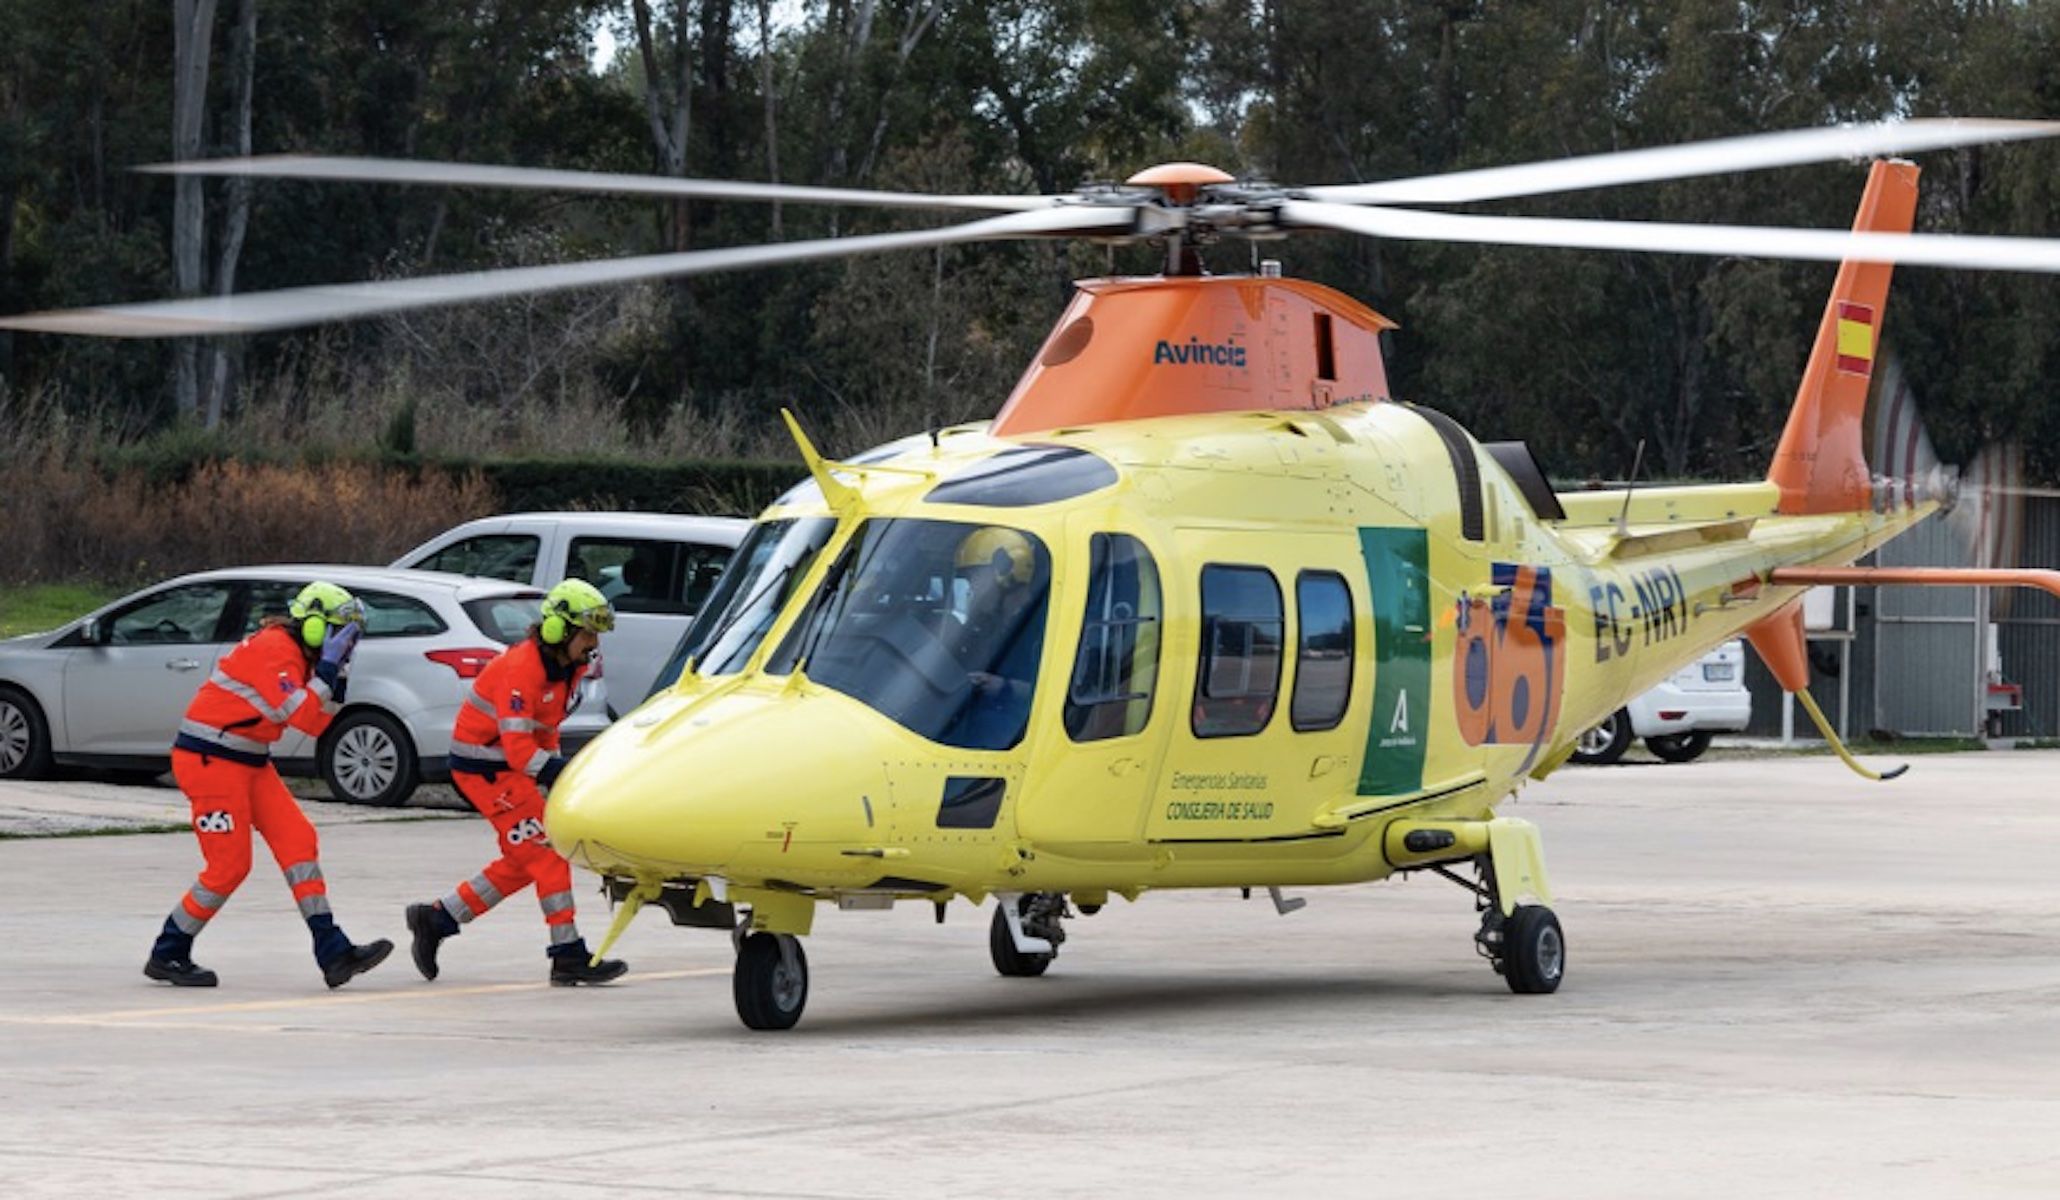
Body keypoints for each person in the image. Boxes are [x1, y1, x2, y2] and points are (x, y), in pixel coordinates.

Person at [144, 581, 394, 989]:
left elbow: (315, 722)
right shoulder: (275, 649)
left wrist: (336, 677)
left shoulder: (302, 657)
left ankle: (332, 950)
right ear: (313, 626)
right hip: (209, 761)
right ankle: (168, 952)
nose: (345, 642)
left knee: (298, 839)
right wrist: (327, 673)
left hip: (247, 759)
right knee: (229, 866)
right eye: (339, 632)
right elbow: (295, 712)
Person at [404, 579, 628, 986]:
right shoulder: (522, 669)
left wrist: (555, 769)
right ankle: (566, 955)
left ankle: (438, 918)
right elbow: (519, 749)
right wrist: (560, 771)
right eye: (588, 632)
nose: (594, 643)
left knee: (525, 861)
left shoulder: (567, 668)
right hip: (484, 770)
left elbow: (546, 732)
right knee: (547, 854)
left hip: (507, 769)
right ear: (560, 630)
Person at [942, 527, 1044, 749]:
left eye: (977, 581)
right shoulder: (984, 627)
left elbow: (1050, 693)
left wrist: (1002, 687)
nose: (973, 590)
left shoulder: (1039, 628)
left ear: (1006, 578)